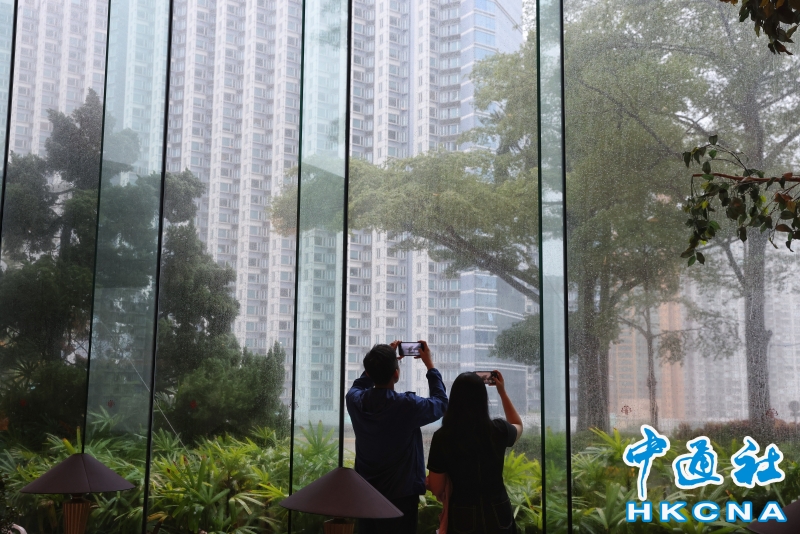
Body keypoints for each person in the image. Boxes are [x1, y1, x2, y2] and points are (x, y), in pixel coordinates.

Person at [346, 340, 448, 534]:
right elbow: (441, 403)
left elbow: (358, 385)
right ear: (396, 374)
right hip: (401, 499)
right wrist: (429, 365)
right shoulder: (407, 406)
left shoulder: (355, 401)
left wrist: (379, 362)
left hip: (366, 494)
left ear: (369, 373)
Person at [426, 371, 523, 534]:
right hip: (499, 514)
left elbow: (437, 488)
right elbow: (517, 425)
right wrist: (502, 392)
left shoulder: (443, 437)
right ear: (483, 399)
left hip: (462, 518)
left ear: (454, 400)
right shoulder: (498, 430)